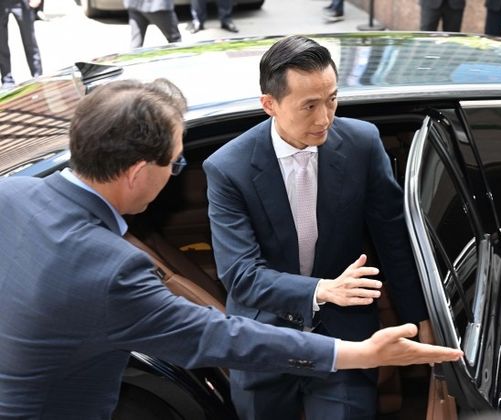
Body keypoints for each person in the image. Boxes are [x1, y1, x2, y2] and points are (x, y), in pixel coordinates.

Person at [0, 78, 463, 418]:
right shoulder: (113, 270)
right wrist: (361, 354)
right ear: (138, 172)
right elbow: (221, 336)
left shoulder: (11, 196)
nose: (175, 173)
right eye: (176, 163)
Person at [204, 35, 437, 420]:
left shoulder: (362, 143)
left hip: (346, 337)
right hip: (264, 340)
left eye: (332, 99)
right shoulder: (228, 168)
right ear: (269, 105)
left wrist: (419, 317)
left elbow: (393, 237)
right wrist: (323, 290)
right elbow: (241, 275)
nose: (324, 118)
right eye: (309, 105)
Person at [0, 0, 42, 90]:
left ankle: (37, 75)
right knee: (1, 44)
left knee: (30, 41)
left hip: (22, 2)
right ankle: (7, 80)